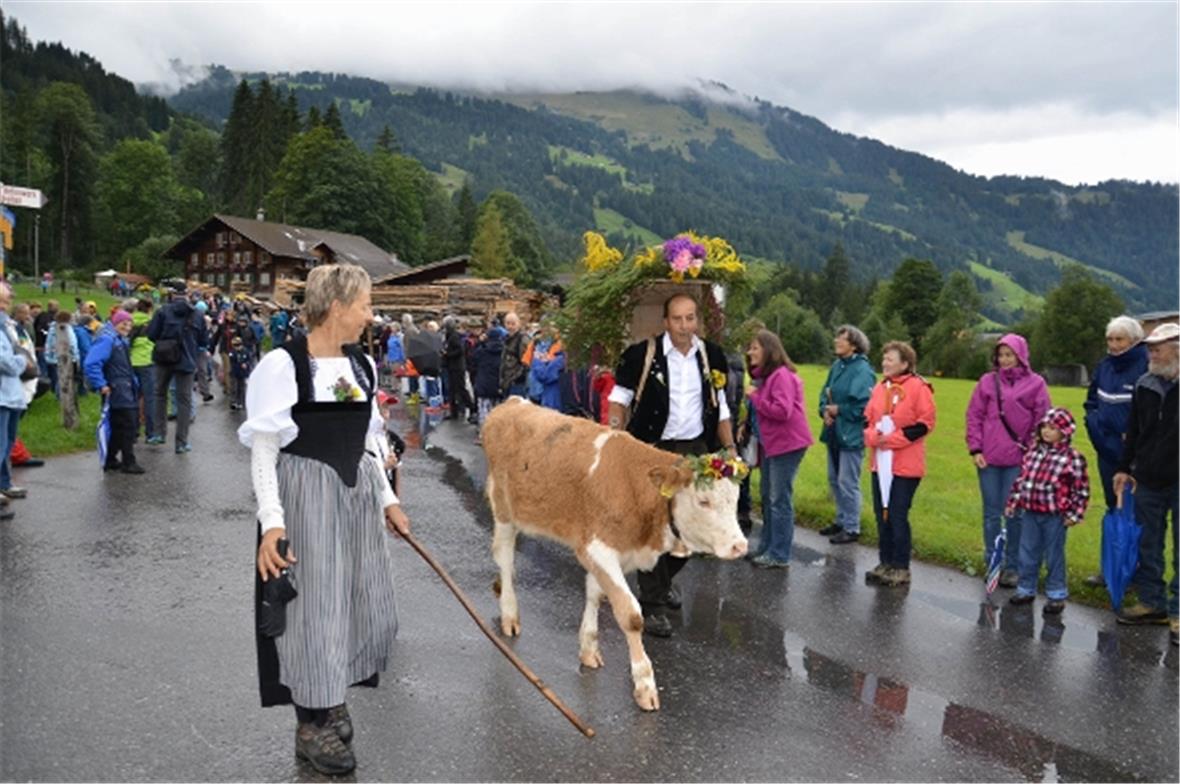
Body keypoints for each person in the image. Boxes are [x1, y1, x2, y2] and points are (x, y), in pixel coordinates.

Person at [239, 263, 410, 775]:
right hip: (304, 497)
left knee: (358, 603)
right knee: (312, 614)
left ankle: (332, 696)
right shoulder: (283, 365)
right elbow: (264, 451)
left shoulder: (362, 364)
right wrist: (272, 522)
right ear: (336, 307)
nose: (369, 315)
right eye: (364, 305)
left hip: (353, 499)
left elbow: (369, 442)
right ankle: (311, 724)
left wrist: (387, 500)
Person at [607, 293, 735, 637]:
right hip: (651, 448)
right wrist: (616, 440)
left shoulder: (712, 356)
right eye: (677, 319)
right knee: (655, 528)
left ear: (698, 321)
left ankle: (661, 584)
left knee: (691, 530)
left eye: (690, 318)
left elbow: (720, 407)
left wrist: (730, 449)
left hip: (695, 451)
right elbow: (619, 400)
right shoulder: (641, 355)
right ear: (665, 322)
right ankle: (652, 606)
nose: (684, 326)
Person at [965, 333, 1051, 587]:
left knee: (1015, 514)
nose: (1004, 360)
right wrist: (975, 449)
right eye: (1000, 355)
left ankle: (1013, 565)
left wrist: (1033, 453)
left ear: (1021, 356)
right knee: (991, 514)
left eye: (1009, 355)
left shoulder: (1036, 384)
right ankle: (993, 561)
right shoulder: (987, 382)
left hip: (1019, 459)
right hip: (989, 459)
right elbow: (974, 416)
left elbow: (1042, 420)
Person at [1112, 322, 1179, 643]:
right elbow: (1134, 431)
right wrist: (1125, 467)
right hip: (1148, 478)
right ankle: (1153, 603)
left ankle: (1178, 612)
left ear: (1177, 350)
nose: (1151, 353)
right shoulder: (1144, 384)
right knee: (1148, 542)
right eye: (1150, 347)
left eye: (1158, 348)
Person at [1082, 316, 1149, 587]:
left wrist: (1132, 440)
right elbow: (1091, 403)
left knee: (1139, 514)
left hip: (1137, 455)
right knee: (1113, 508)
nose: (1113, 344)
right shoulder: (1104, 366)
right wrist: (1097, 430)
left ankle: (1138, 572)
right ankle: (1111, 569)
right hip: (1107, 452)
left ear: (1134, 341)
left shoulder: (1146, 366)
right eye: (1110, 339)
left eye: (1119, 339)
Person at [863, 341, 936, 587]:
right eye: (884, 359)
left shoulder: (919, 387)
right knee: (881, 513)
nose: (885, 363)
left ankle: (901, 566)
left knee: (896, 513)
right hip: (879, 463)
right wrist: (873, 437)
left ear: (905, 363)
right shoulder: (879, 387)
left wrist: (893, 440)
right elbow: (867, 419)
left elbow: (925, 423)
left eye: (890, 360)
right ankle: (885, 561)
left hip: (905, 466)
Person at [1004, 408, 1089, 614]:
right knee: (1027, 552)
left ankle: (1056, 594)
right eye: (1044, 427)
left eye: (1053, 428)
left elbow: (1081, 490)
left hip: (1055, 516)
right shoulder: (1032, 453)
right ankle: (1026, 589)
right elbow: (1021, 482)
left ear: (1065, 432)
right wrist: (1013, 503)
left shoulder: (1073, 458)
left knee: (1054, 555)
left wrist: (1074, 515)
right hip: (1030, 512)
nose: (1047, 432)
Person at [744, 329, 814, 569]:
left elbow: (782, 411)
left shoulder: (780, 375)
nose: (749, 352)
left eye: (754, 347)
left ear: (768, 349)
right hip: (773, 444)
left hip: (788, 443)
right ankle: (767, 547)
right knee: (767, 496)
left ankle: (779, 554)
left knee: (779, 499)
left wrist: (755, 397)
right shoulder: (767, 376)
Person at [817, 325, 876, 544]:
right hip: (833, 431)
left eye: (841, 339)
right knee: (834, 479)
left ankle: (852, 526)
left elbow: (865, 407)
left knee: (847, 481)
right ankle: (841, 520)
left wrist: (838, 410)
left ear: (854, 344)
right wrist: (825, 410)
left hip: (851, 435)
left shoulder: (862, 371)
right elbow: (825, 393)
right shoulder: (837, 366)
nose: (836, 342)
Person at [84, 310, 145, 475]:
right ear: (115, 323)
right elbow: (92, 363)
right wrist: (101, 384)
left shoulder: (119, 340)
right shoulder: (107, 339)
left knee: (120, 426)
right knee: (128, 426)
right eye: (123, 323)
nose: (127, 326)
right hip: (117, 388)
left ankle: (111, 459)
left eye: (129, 323)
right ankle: (128, 461)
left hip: (124, 387)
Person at [145, 293, 204, 453]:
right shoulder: (197, 314)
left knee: (160, 394)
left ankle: (159, 433)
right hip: (187, 361)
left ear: (171, 296)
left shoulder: (162, 311)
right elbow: (203, 341)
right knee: (184, 400)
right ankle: (181, 442)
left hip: (164, 359)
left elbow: (151, 335)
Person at [0, 283, 30, 517]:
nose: (4, 306)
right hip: (2, 394)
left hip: (10, 394)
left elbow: (18, 349)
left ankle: (4, 483)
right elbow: (7, 362)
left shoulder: (7, 325)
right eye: (1, 301)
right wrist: (22, 363)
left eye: (6, 301)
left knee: (8, 443)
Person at [471, 322, 505, 444]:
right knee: (497, 411)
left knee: (484, 412)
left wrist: (480, 342)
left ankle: (484, 436)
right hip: (498, 385)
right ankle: (497, 435)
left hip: (484, 384)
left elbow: (472, 359)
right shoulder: (503, 351)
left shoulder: (482, 351)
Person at [128, 300, 156, 441]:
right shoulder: (152, 323)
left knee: (134, 397)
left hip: (132, 363)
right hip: (147, 362)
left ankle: (134, 431)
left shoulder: (129, 321)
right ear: (149, 309)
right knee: (149, 398)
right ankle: (151, 433)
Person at [46, 310, 79, 429]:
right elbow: (72, 344)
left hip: (60, 358)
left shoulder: (55, 329)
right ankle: (62, 398)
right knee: (65, 380)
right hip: (64, 358)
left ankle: (61, 396)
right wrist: (76, 356)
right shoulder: (62, 329)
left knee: (63, 379)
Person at [523, 321, 565, 411]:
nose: (548, 330)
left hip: (549, 392)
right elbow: (526, 362)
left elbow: (547, 375)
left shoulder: (560, 344)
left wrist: (539, 361)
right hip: (535, 389)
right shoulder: (535, 342)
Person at [442, 316, 474, 422]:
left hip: (457, 366)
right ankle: (454, 412)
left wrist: (447, 354)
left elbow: (460, 350)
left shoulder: (454, 337)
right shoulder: (450, 336)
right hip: (452, 366)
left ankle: (472, 407)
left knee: (460, 389)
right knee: (452, 390)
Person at [498, 311, 529, 399]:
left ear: (518, 324)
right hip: (507, 383)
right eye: (508, 323)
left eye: (513, 324)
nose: (510, 327)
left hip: (517, 384)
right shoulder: (506, 339)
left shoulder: (522, 340)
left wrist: (517, 378)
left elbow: (526, 362)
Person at [228, 336, 253, 410]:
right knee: (234, 388)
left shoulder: (246, 352)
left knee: (241, 388)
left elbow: (249, 360)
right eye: (235, 346)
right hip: (234, 373)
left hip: (243, 373)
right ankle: (233, 402)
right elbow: (232, 362)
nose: (237, 347)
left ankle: (240, 402)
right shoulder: (232, 353)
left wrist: (246, 364)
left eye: (239, 345)